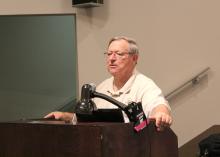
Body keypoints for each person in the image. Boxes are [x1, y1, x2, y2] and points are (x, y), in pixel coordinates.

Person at [45, 36, 172, 131]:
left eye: (119, 54)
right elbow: (91, 120)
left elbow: (158, 104)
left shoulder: (144, 85)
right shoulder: (102, 87)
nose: (111, 58)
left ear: (134, 58)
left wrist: (162, 113)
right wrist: (64, 116)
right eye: (109, 54)